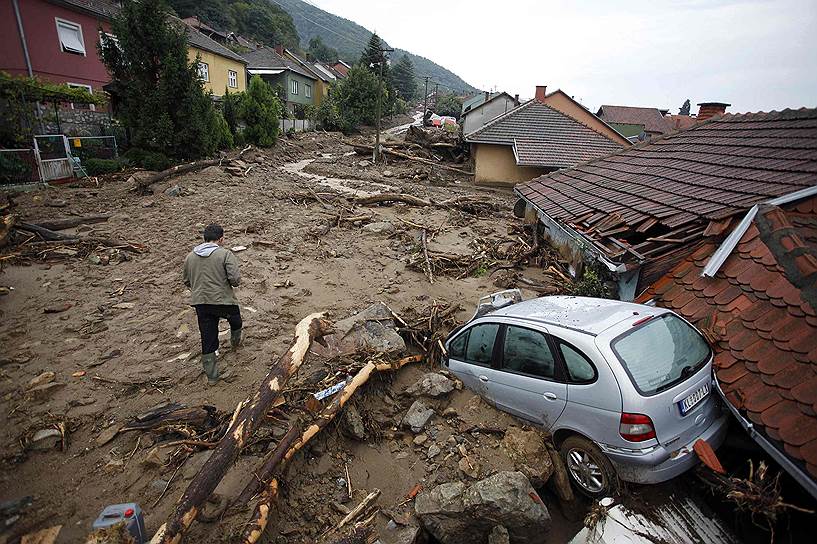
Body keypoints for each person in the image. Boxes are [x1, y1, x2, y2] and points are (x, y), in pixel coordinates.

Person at [183, 223, 242, 385]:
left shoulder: (190, 257)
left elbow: (187, 281)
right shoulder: (225, 254)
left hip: (201, 303)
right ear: (221, 239)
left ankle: (212, 377)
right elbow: (235, 280)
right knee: (236, 320)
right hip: (223, 301)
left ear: (205, 238)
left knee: (208, 338)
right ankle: (236, 344)